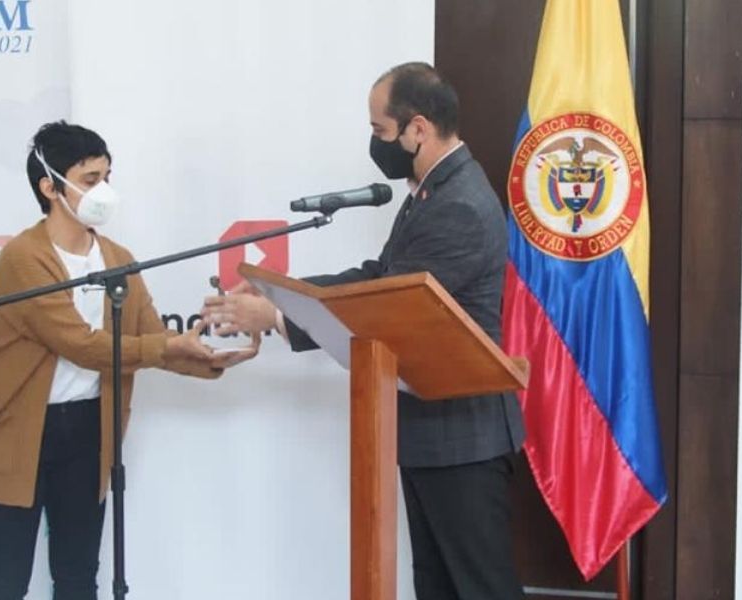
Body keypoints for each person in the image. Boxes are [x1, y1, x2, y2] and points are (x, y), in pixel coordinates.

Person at [203, 63, 525, 600]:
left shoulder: (459, 205)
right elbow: (380, 276)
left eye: (380, 130)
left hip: (461, 435)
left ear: (417, 128)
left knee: (481, 589)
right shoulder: (433, 189)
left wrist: (280, 318)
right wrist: (281, 291)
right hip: (431, 434)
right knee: (439, 588)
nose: (374, 142)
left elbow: (389, 306)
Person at [0, 120, 257, 599]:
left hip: (88, 433)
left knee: (78, 580)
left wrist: (213, 359)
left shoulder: (118, 258)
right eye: (90, 179)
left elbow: (151, 339)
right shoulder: (23, 258)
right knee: (3, 585)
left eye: (107, 176)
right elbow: (84, 345)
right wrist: (167, 346)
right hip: (17, 433)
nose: (104, 191)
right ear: (49, 187)